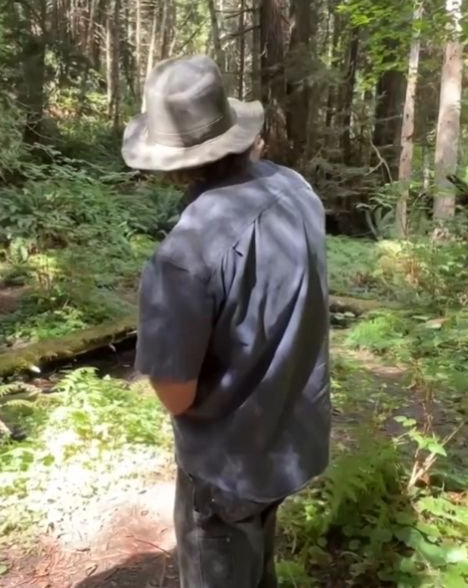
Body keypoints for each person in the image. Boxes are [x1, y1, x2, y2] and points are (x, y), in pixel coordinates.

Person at [123, 55, 331, 587]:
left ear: (169, 162)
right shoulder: (297, 191)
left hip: (227, 468)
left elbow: (175, 395)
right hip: (290, 441)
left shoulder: (181, 257)